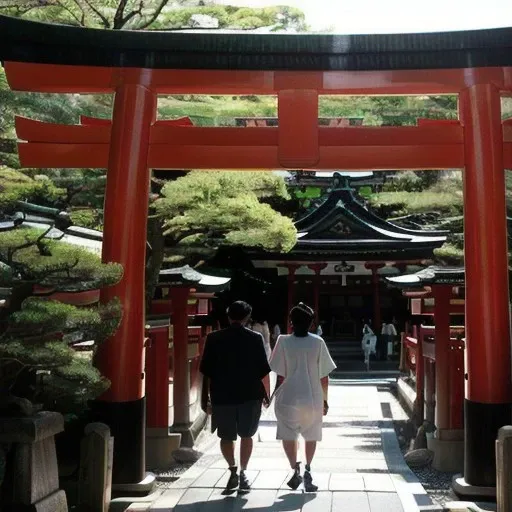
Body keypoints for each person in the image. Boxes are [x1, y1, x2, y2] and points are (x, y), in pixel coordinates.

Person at [200, 301, 271, 491]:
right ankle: (243, 472)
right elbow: (263, 370)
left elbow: (206, 371)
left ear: (228, 316)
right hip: (250, 394)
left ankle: (232, 468)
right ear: (247, 317)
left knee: (226, 435)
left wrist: (204, 398)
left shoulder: (214, 338)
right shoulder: (255, 338)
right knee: (247, 435)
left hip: (222, 394)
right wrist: (267, 394)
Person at [269, 302, 336, 492]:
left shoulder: (283, 341)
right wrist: (324, 400)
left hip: (288, 396)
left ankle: (294, 468)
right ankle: (308, 470)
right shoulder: (318, 342)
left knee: (288, 434)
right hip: (312, 397)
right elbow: (324, 376)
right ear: (311, 323)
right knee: (311, 435)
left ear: (291, 322)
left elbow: (278, 372)